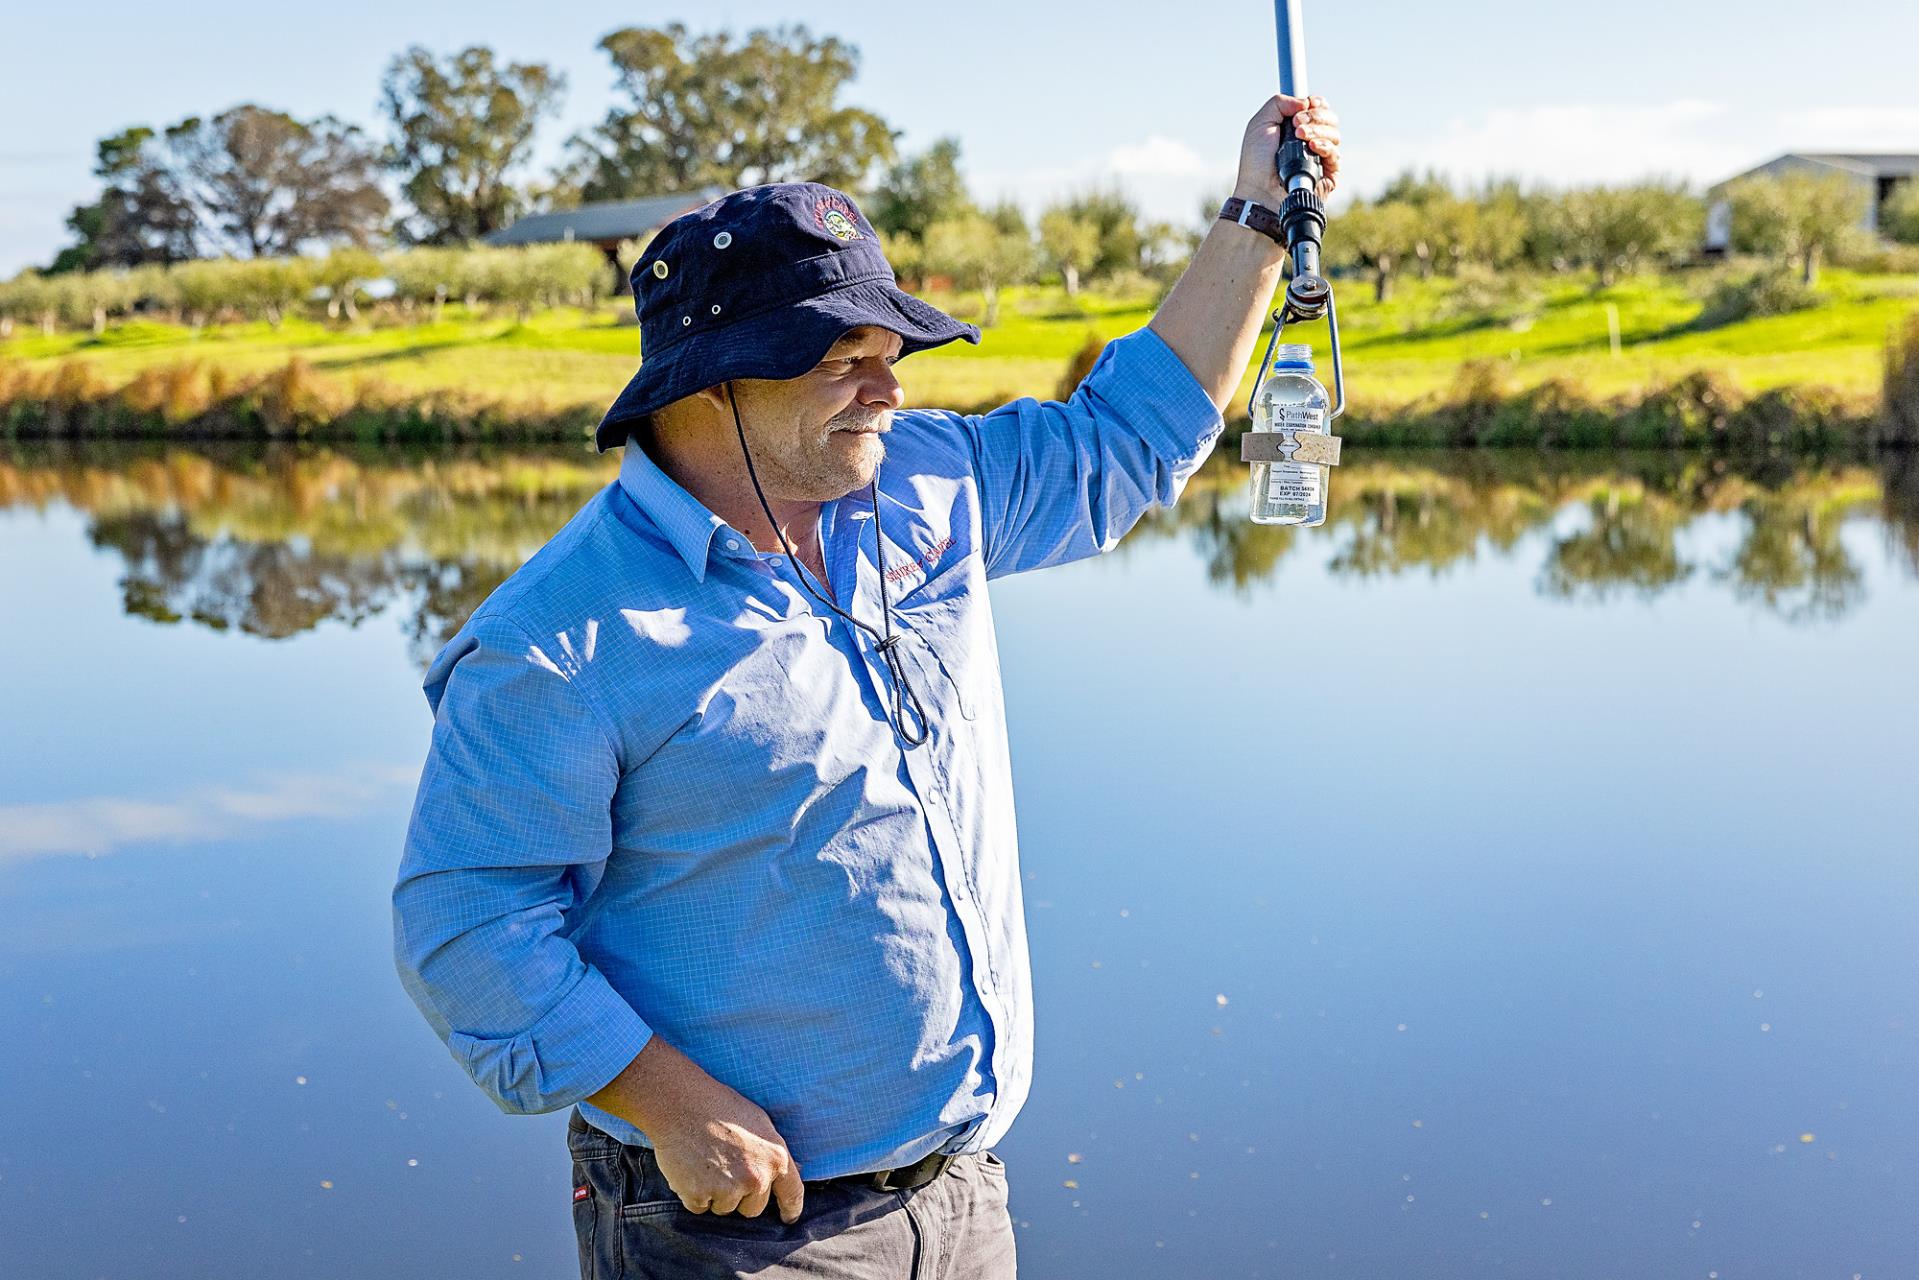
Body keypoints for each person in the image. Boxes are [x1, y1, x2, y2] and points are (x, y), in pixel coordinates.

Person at [393, 92, 1341, 1280]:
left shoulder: (924, 481)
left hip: (961, 1200)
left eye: (889, 355)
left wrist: (1256, 214)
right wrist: (666, 1099)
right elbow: (467, 922)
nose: (886, 389)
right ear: (711, 381)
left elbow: (1126, 436)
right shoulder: (558, 640)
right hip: (736, 1235)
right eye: (845, 361)